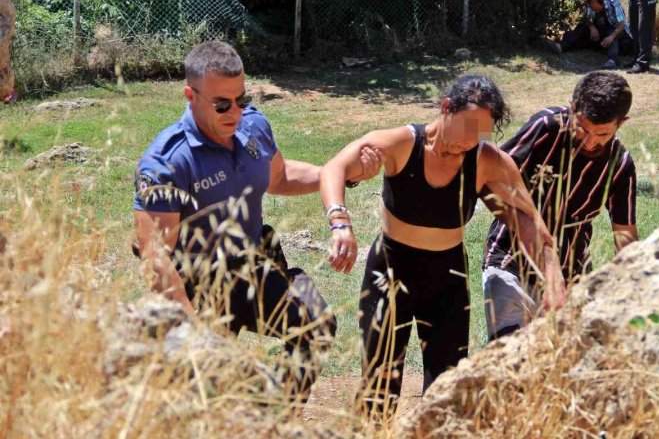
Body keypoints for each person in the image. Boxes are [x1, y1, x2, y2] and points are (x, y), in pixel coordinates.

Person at [132, 40, 383, 401]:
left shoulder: (252, 128)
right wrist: (196, 335)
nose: (235, 112)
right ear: (190, 95)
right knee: (202, 398)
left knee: (316, 323)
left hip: (251, 269)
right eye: (221, 104)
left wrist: (340, 175)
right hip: (196, 286)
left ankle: (276, 419)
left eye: (242, 99)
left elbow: (279, 177)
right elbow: (157, 260)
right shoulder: (167, 162)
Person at [318, 74, 567, 419]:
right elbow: (335, 167)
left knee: (447, 391)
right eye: (466, 128)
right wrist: (340, 223)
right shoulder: (403, 143)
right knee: (379, 386)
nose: (469, 142)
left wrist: (553, 280)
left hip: (446, 280)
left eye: (479, 133)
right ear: (446, 108)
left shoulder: (486, 160)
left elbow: (527, 220)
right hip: (389, 273)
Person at [482, 71, 638, 341]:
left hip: (571, 279)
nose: (589, 141)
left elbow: (625, 237)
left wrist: (633, 289)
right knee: (512, 360)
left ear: (621, 123)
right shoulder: (545, 127)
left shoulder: (620, 165)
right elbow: (492, 175)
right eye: (583, 128)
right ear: (572, 107)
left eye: (602, 133)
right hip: (510, 262)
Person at [552, 0, 633, 69]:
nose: (594, 11)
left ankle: (612, 60)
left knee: (612, 34)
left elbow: (621, 24)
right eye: (592, 9)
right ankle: (561, 47)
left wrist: (611, 37)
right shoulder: (590, 3)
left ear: (602, 4)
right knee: (582, 27)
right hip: (600, 29)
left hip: (617, 30)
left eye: (596, 9)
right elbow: (586, 18)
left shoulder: (613, 2)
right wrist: (592, 27)